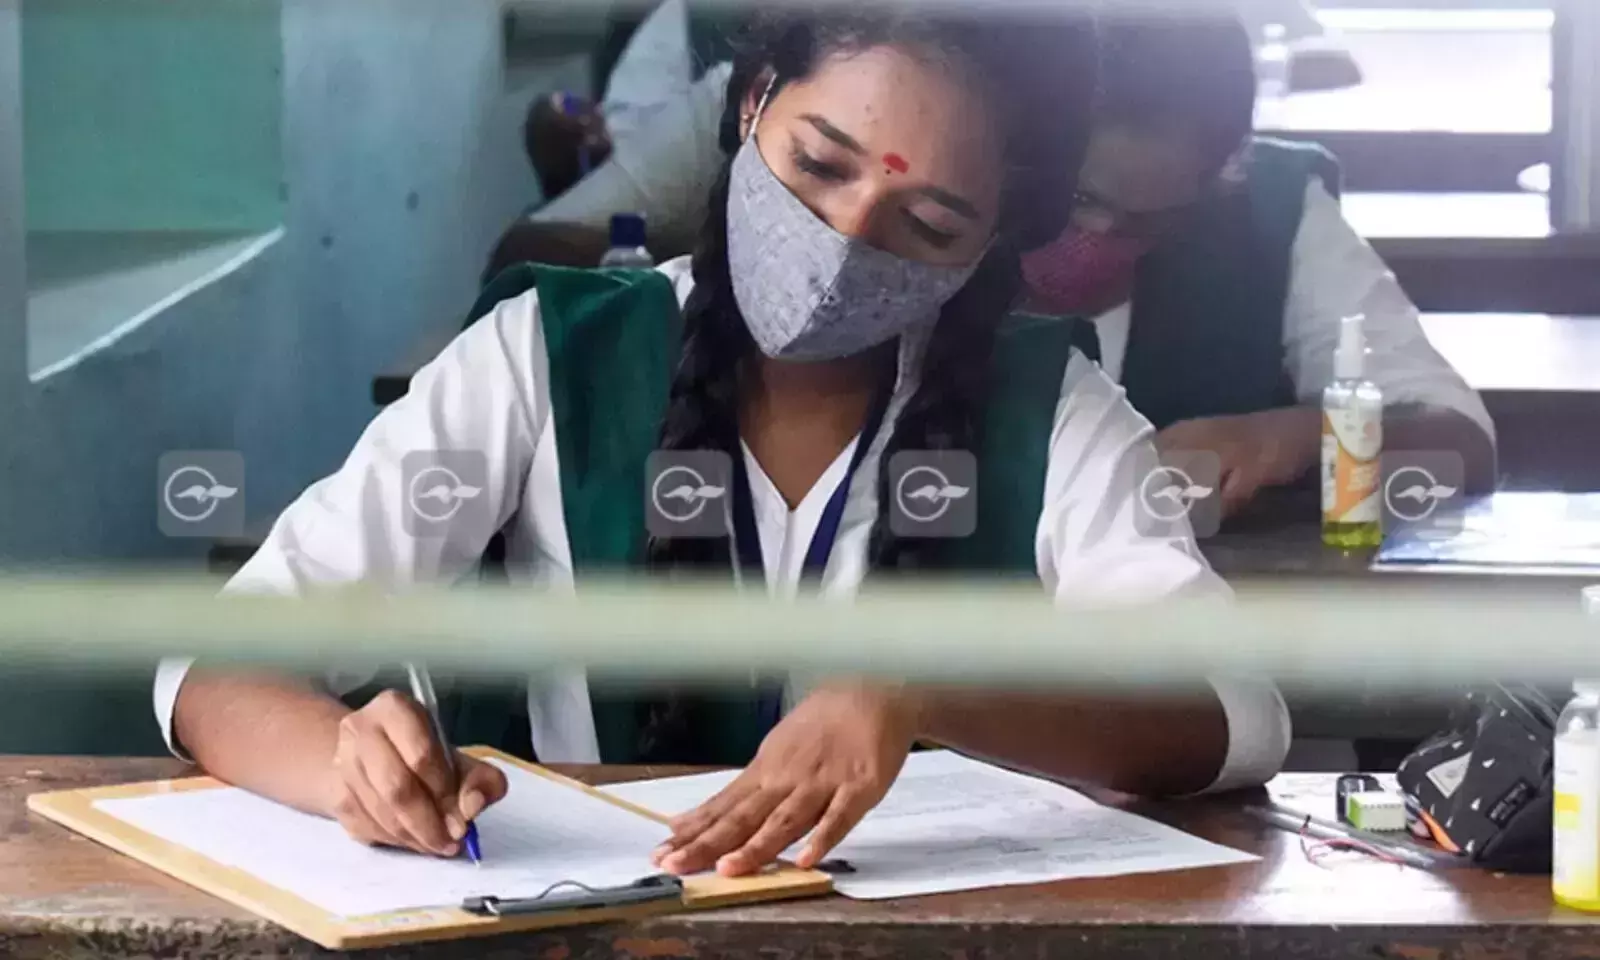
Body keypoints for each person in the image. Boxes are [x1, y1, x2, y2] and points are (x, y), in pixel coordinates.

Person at [158, 9, 1292, 880]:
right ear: (752, 103)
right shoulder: (541, 354)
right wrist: (345, 764)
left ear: (995, 236)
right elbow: (215, 666)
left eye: (929, 222)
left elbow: (1237, 712)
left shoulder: (1049, 408)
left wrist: (924, 693)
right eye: (820, 164)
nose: (846, 239)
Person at [1020, 14, 1496, 521]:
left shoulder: (1272, 213)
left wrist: (1297, 437)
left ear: (1219, 179)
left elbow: (1463, 443)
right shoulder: (960, 193)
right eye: (1079, 200)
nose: (1098, 238)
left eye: (1148, 223)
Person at [494, 0, 738, 273]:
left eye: (572, 105)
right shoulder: (615, 175)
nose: (582, 123)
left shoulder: (631, 90)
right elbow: (514, 256)